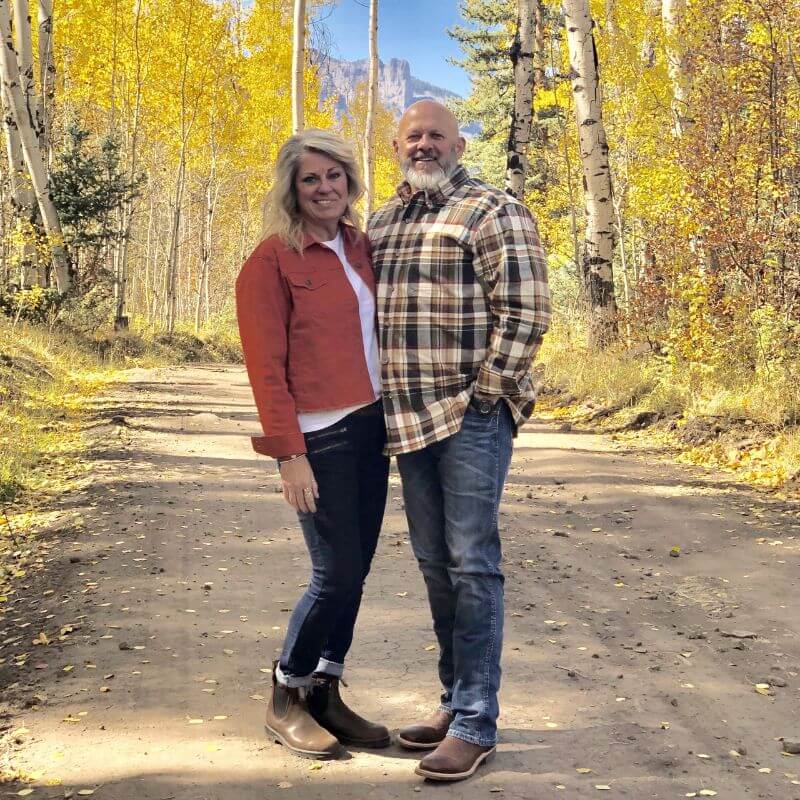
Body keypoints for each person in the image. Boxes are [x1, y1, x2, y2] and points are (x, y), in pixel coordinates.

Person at [368, 100, 551, 781]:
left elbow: (528, 309)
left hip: (470, 415)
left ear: (458, 143)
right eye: (413, 135)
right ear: (395, 147)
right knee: (435, 566)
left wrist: (485, 392)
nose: (424, 144)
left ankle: (476, 721)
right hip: (406, 421)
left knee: (473, 564)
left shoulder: (490, 210)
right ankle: (453, 701)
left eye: (436, 135)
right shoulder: (381, 222)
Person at [236, 129, 391, 760]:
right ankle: (286, 691)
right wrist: (289, 454)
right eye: (310, 179)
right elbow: (265, 368)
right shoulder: (270, 262)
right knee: (335, 573)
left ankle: (325, 689)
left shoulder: (363, 247)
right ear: (291, 190)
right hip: (319, 435)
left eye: (334, 176)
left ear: (349, 182)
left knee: (357, 571)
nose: (324, 188)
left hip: (372, 427)